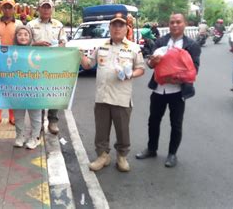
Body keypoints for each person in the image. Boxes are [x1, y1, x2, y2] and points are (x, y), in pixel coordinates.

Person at [80, 12, 145, 172]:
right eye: (114, 25)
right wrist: (79, 55)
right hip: (102, 96)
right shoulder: (101, 46)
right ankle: (103, 156)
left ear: (126, 28)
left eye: (120, 25)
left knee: (122, 130)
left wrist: (131, 74)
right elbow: (89, 65)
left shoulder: (133, 48)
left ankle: (122, 156)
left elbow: (141, 68)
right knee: (101, 131)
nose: (117, 28)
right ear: (109, 27)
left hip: (121, 98)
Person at [136, 13, 201, 168]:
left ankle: (172, 154)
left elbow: (194, 69)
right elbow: (151, 64)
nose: (175, 25)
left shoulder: (191, 45)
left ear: (184, 24)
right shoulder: (160, 41)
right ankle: (151, 149)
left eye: (178, 22)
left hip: (178, 92)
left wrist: (176, 79)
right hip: (159, 90)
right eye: (172, 22)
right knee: (153, 121)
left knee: (176, 124)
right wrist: (152, 62)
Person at [27, 0, 67, 135]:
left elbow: (63, 43)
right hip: (36, 64)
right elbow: (24, 43)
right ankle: (39, 122)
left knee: (54, 91)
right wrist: (36, 44)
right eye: (43, 7)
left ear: (52, 9)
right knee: (39, 92)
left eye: (48, 7)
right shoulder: (31, 25)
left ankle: (53, 120)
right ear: (38, 8)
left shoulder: (58, 24)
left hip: (54, 63)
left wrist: (58, 47)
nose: (46, 9)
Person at [0, 0, 23, 126]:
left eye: (10, 7)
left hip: (14, 60)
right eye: (5, 7)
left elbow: (22, 41)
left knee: (12, 88)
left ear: (14, 9)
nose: (8, 9)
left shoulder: (19, 24)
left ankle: (12, 114)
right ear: (1, 8)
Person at [12, 25, 43, 149]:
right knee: (18, 116)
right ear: (16, 36)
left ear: (30, 36)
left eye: (26, 34)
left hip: (34, 88)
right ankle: (20, 136)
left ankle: (34, 138)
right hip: (17, 89)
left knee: (35, 116)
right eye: (20, 34)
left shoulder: (37, 52)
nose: (23, 37)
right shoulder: (10, 51)